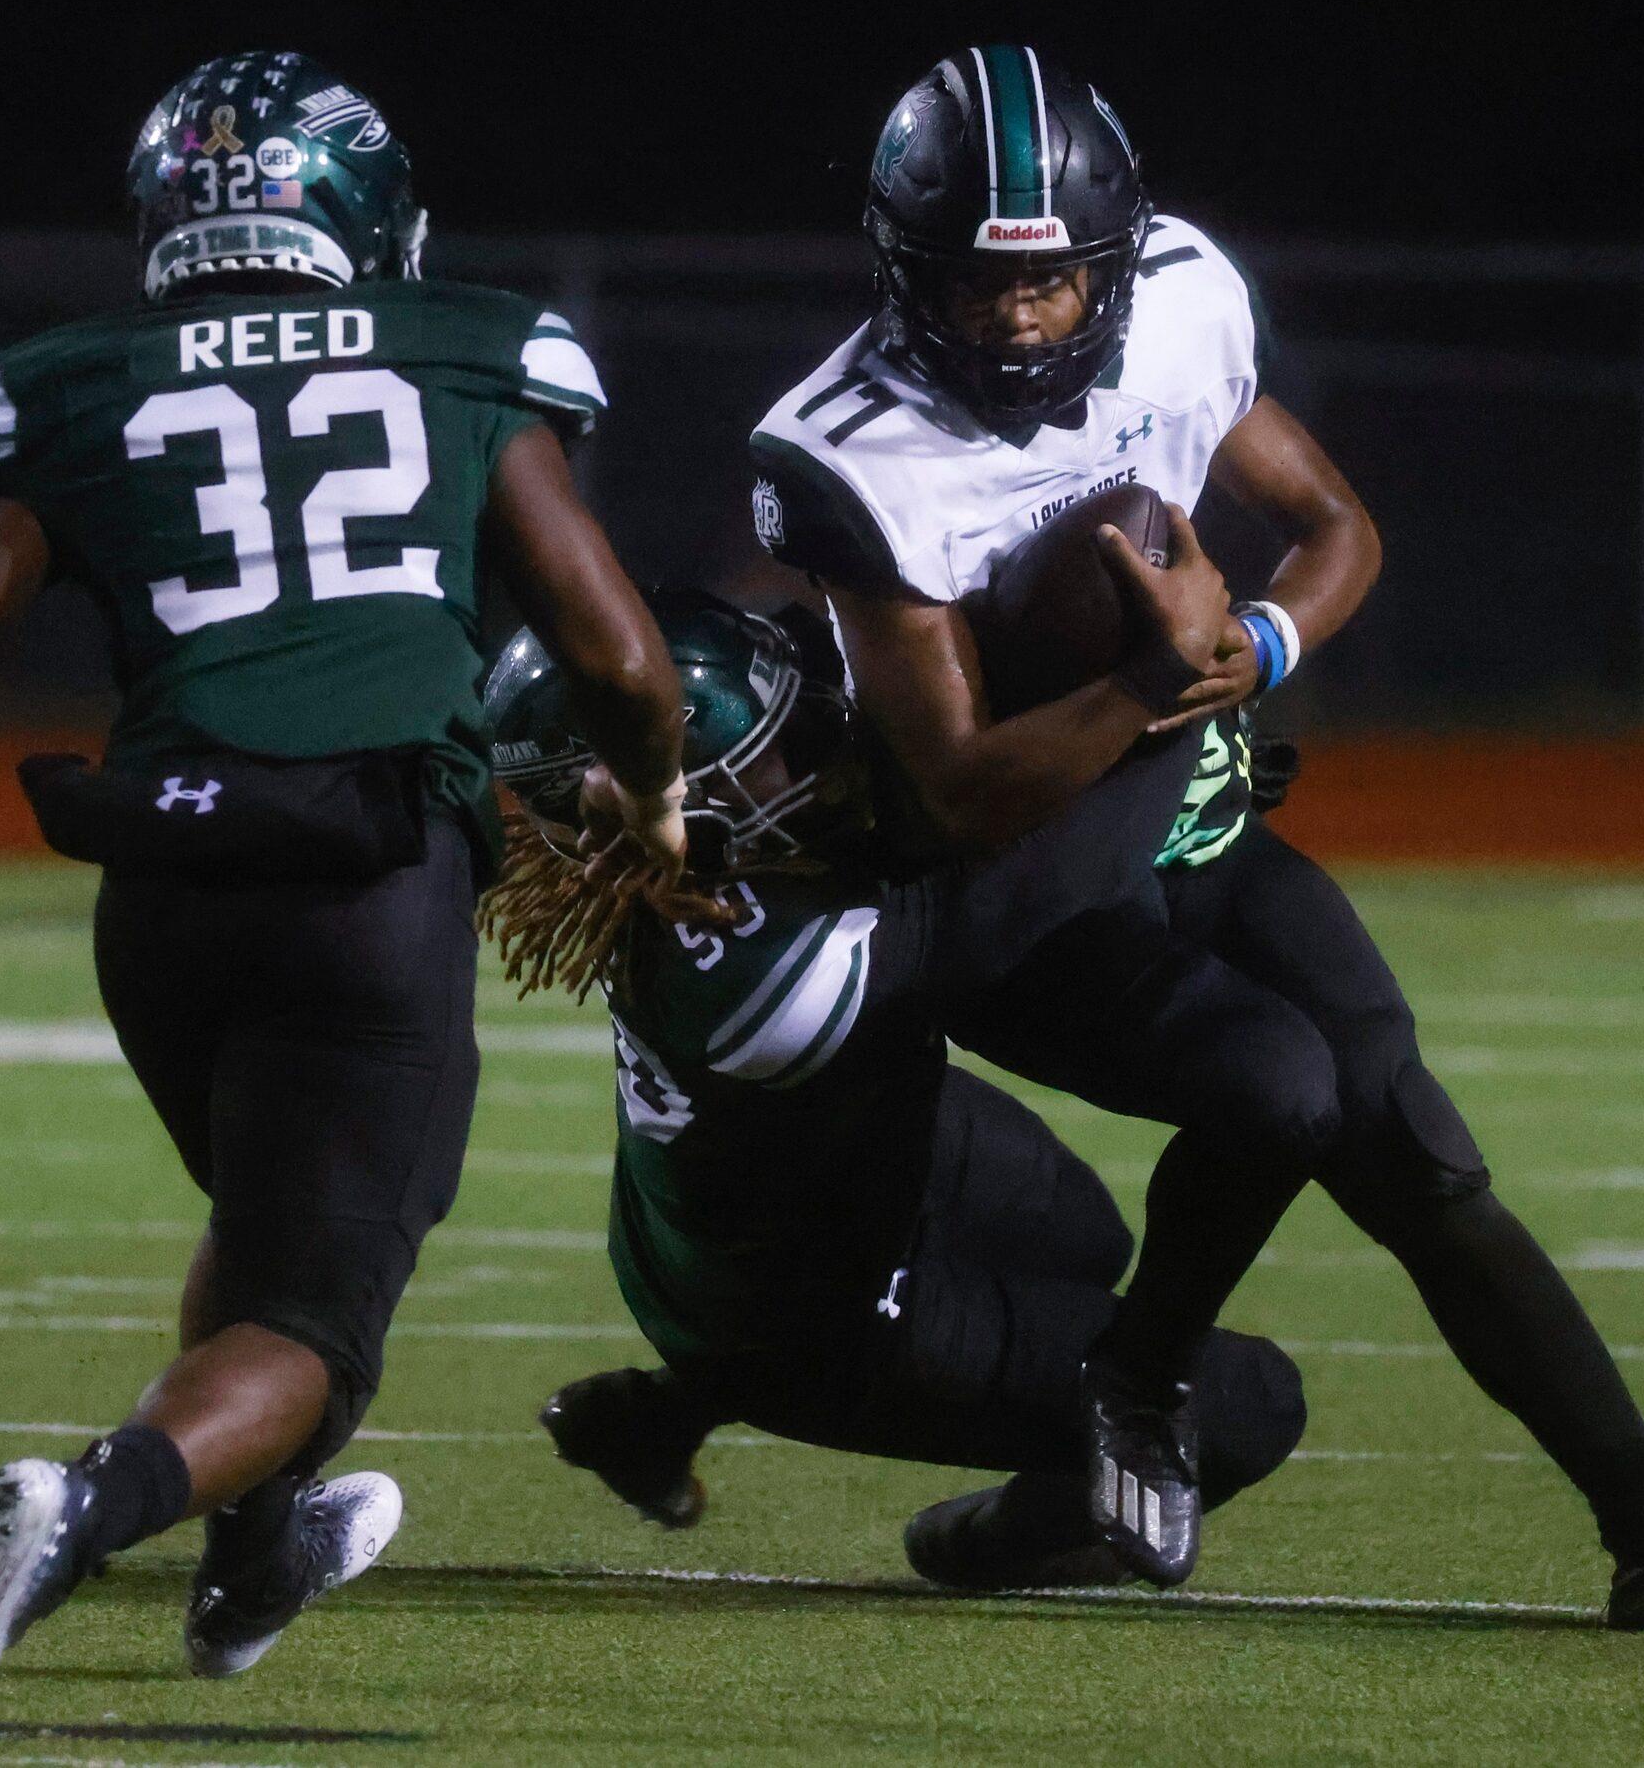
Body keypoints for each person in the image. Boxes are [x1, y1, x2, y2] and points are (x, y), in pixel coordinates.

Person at [0, 51, 692, 1725]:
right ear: (363, 213)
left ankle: (253, 1550)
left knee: (266, 1226)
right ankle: (88, 1509)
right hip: (364, 871)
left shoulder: (70, 384)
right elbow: (621, 653)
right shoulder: (465, 348)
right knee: (318, 1322)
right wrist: (654, 789)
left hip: (161, 879)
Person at [744, 45, 1644, 1636]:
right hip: (1018, 887)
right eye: (983, 290)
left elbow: (1336, 529)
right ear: (907, 271)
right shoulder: (851, 449)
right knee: (1278, 1084)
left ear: (1116, 263)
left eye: (1054, 288)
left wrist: (1251, 650)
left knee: (1419, 1156)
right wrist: (1147, 667)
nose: (1024, 321)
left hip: (1191, 822)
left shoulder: (1184, 299)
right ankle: (1133, 1378)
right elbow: (969, 786)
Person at [481, 590, 1307, 1589]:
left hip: (739, 1210)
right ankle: (986, 1540)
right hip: (817, 1322)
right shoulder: (768, 975)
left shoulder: (659, 868)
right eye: (768, 760)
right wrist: (1169, 726)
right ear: (643, 801)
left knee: (1082, 1234)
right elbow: (1032, 875)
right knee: (1255, 1402)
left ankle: (667, 1407)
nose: (812, 758)